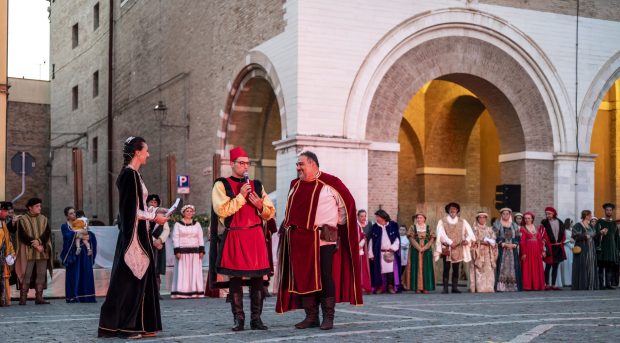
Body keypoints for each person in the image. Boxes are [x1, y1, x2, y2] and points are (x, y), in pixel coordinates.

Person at [276, 151, 362, 331]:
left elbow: (347, 206)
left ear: (313, 164)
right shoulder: (295, 185)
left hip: (322, 240)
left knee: (325, 276)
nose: (298, 167)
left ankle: (328, 317)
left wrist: (334, 224)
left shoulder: (331, 183)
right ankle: (311, 316)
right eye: (297, 164)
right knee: (303, 277)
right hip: (299, 240)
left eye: (301, 164)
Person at [98, 136, 168, 339]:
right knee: (130, 281)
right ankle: (125, 327)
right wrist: (155, 217)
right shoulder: (129, 175)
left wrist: (154, 213)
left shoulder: (135, 175)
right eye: (146, 150)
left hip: (141, 233)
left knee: (144, 280)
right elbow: (130, 211)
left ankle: (143, 324)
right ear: (137, 152)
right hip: (134, 237)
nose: (148, 154)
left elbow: (139, 208)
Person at [208, 147, 275, 331]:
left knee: (257, 280)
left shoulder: (258, 185)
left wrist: (260, 206)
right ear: (232, 164)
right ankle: (239, 319)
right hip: (235, 235)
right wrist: (241, 196)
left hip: (255, 237)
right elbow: (221, 210)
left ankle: (256, 319)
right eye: (241, 163)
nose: (245, 166)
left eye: (247, 162)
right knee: (235, 279)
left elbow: (270, 213)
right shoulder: (222, 184)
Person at [14, 197, 53, 305]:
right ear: (30, 208)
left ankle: (39, 297)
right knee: (26, 274)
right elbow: (22, 235)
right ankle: (23, 298)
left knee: (41, 274)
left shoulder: (44, 219)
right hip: (28, 251)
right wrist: (36, 244)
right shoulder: (23, 219)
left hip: (42, 251)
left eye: (40, 206)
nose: (39, 208)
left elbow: (47, 233)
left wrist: (40, 242)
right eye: (37, 206)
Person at [433, 202, 475, 294]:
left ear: (457, 211)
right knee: (446, 267)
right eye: (451, 209)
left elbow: (470, 233)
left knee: (456, 268)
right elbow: (440, 233)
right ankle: (445, 288)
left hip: (458, 248)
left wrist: (467, 240)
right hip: (447, 248)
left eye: (455, 209)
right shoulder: (442, 221)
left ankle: (454, 287)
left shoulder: (463, 221)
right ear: (448, 210)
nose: (453, 211)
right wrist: (450, 242)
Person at [60, 206, 97, 303]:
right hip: (73, 255)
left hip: (84, 253)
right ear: (67, 216)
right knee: (74, 275)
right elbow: (68, 236)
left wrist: (83, 235)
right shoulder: (65, 226)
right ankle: (74, 297)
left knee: (85, 273)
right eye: (71, 213)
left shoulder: (81, 222)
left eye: (74, 212)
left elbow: (88, 233)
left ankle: (86, 296)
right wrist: (79, 234)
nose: (74, 214)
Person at [171, 205, 205, 299]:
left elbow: (200, 237)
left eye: (191, 211)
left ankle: (195, 291)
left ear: (193, 213)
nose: (189, 213)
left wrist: (201, 250)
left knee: (195, 271)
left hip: (195, 251)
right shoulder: (178, 224)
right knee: (183, 271)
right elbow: (175, 237)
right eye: (187, 211)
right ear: (183, 213)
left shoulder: (197, 224)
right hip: (182, 251)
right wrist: (177, 250)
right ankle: (182, 291)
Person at [368, 210, 401, 294]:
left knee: (391, 271)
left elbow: (397, 238)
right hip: (379, 253)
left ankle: (390, 286)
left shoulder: (393, 225)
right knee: (379, 270)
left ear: (383, 217)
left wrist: (393, 248)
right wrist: (371, 253)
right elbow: (371, 241)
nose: (377, 218)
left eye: (378, 217)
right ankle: (380, 287)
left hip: (390, 252)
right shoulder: (375, 227)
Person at [403, 213, 435, 294]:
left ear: (424, 219)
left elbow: (432, 238)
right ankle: (417, 287)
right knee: (415, 266)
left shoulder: (428, 227)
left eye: (421, 218)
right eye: (417, 218)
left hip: (426, 250)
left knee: (426, 267)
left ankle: (426, 287)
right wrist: (418, 247)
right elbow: (410, 238)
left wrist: (425, 247)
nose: (419, 219)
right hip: (415, 250)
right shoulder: (412, 227)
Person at [146, 194, 170, 298]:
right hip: (147, 244)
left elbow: (166, 229)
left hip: (159, 246)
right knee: (147, 269)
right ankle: (147, 293)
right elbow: (145, 230)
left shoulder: (162, 216)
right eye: (151, 202)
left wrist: (160, 240)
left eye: (155, 202)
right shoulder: (145, 215)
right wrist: (154, 241)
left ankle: (157, 292)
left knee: (157, 270)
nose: (153, 204)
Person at [494, 207, 522, 292]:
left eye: (507, 214)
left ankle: (513, 286)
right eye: (503, 214)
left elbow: (518, 237)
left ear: (510, 214)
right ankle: (501, 286)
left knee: (513, 266)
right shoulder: (497, 224)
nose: (505, 215)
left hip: (512, 250)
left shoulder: (514, 225)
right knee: (501, 266)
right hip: (502, 249)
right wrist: (502, 243)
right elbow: (494, 236)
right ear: (501, 215)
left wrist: (514, 244)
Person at [469, 212, 497, 293]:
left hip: (488, 252)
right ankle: (480, 288)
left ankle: (489, 287)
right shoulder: (474, 229)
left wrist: (492, 242)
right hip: (478, 252)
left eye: (484, 217)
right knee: (479, 270)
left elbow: (494, 239)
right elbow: (472, 240)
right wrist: (481, 242)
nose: (482, 219)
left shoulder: (490, 229)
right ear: (477, 219)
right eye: (480, 217)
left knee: (488, 269)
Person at [572, 210, 600, 290]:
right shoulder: (578, 225)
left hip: (591, 248)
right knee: (583, 265)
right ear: (586, 216)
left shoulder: (590, 226)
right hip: (582, 248)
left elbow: (594, 235)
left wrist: (600, 233)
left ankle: (591, 284)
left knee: (590, 265)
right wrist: (584, 236)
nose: (591, 216)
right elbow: (574, 235)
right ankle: (582, 285)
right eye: (590, 215)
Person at [541, 206, 566, 290]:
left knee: (556, 266)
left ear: (554, 213)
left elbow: (563, 233)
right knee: (548, 266)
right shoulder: (544, 223)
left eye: (549, 214)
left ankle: (554, 284)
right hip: (549, 247)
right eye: (547, 214)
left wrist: (562, 242)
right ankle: (547, 284)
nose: (548, 215)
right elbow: (542, 234)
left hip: (558, 247)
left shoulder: (560, 222)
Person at [519, 212, 546, 291]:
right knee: (528, 267)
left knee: (536, 267)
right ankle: (528, 286)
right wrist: (523, 252)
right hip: (528, 250)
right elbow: (522, 241)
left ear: (532, 219)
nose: (527, 220)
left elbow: (540, 240)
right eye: (526, 218)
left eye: (529, 218)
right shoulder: (522, 228)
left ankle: (537, 285)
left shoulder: (536, 228)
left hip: (537, 250)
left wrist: (542, 251)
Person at [596, 203, 618, 289]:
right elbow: (596, 234)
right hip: (602, 247)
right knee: (601, 266)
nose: (609, 211)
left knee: (609, 267)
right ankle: (601, 285)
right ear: (605, 211)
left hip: (611, 248)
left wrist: (616, 249)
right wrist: (601, 233)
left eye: (610, 210)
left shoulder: (614, 223)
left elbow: (616, 237)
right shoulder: (600, 221)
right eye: (607, 210)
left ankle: (608, 284)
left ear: (612, 211)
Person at [0, 202, 16, 306]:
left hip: (2, 255)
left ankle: (3, 299)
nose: (7, 213)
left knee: (3, 278)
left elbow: (7, 240)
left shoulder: (3, 224)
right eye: (5, 211)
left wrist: (11, 252)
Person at [356, 210, 372, 293]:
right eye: (361, 216)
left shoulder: (368, 225)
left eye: (364, 216)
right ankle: (358, 286)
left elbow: (369, 237)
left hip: (365, 249)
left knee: (364, 268)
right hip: (356, 248)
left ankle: (364, 285)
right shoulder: (355, 225)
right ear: (358, 216)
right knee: (357, 267)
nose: (363, 218)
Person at [556, 218, 574, 288]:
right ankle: (566, 281)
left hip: (572, 249)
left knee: (571, 265)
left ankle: (571, 280)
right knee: (567, 265)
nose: (572, 224)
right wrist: (571, 246)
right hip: (567, 249)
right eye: (571, 222)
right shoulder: (564, 231)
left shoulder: (572, 230)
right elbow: (565, 240)